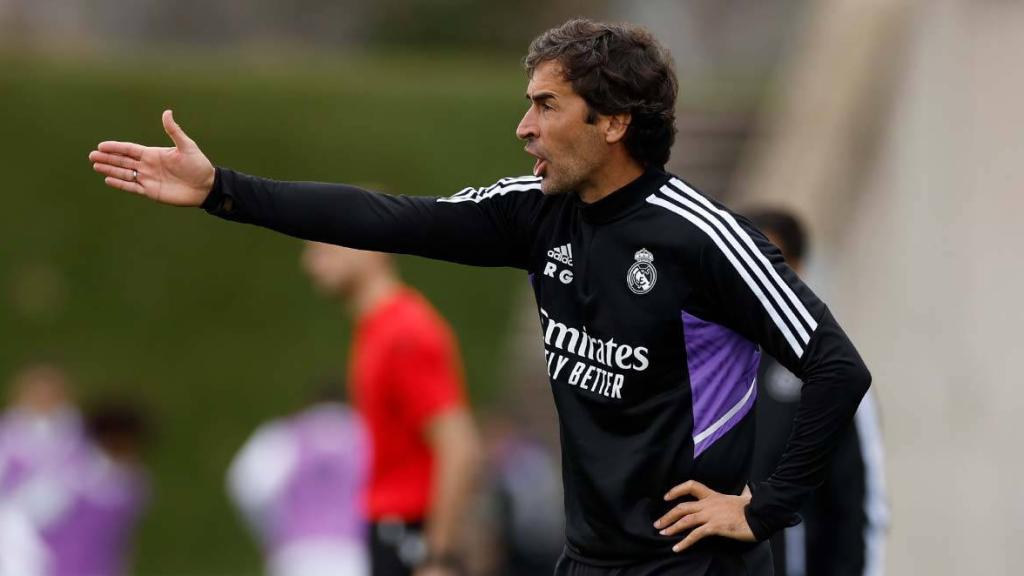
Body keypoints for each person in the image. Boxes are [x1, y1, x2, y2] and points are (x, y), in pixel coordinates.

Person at [87, 17, 872, 575]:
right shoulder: (535, 213)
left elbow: (837, 366)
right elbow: (388, 218)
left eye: (546, 104)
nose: (524, 127)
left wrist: (761, 508)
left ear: (613, 123)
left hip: (697, 568)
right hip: (591, 558)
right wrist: (224, 189)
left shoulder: (701, 235)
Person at [301, 241, 482, 576]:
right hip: (394, 532)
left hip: (409, 537)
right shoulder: (377, 328)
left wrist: (437, 558)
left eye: (323, 245)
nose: (310, 262)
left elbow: (460, 445)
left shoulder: (403, 332)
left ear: (372, 247)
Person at [745, 209, 888, 576]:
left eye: (767, 260)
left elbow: (860, 507)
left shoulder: (829, 369)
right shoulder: (702, 361)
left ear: (796, 268)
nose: (752, 278)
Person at [227, 383, 371, 576]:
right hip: (355, 554)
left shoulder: (284, 435)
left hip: (297, 556)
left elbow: (247, 487)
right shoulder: (367, 435)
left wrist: (271, 533)